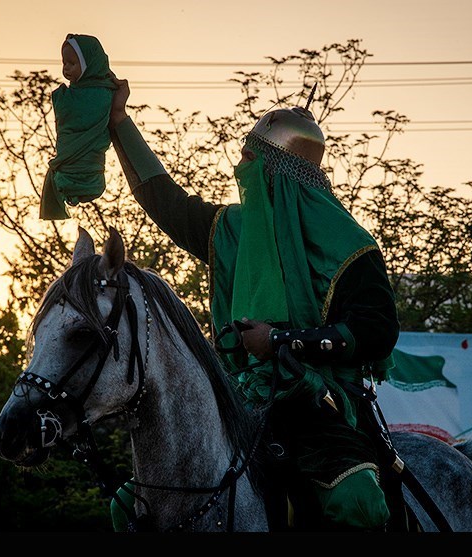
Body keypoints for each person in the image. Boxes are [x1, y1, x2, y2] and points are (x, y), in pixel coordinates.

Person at [107, 75, 400, 532]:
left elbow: (378, 333)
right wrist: (119, 122)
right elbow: (164, 201)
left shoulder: (352, 247)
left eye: (249, 157)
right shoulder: (231, 230)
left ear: (278, 170)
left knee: (356, 500)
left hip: (321, 404)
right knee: (130, 506)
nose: (238, 168)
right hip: (236, 397)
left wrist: (281, 339)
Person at [39, 34, 117, 220]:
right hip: (73, 164)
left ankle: (75, 183)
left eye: (72, 63)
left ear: (90, 63)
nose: (66, 68)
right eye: (64, 63)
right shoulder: (107, 92)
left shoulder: (103, 95)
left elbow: (71, 109)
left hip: (90, 167)